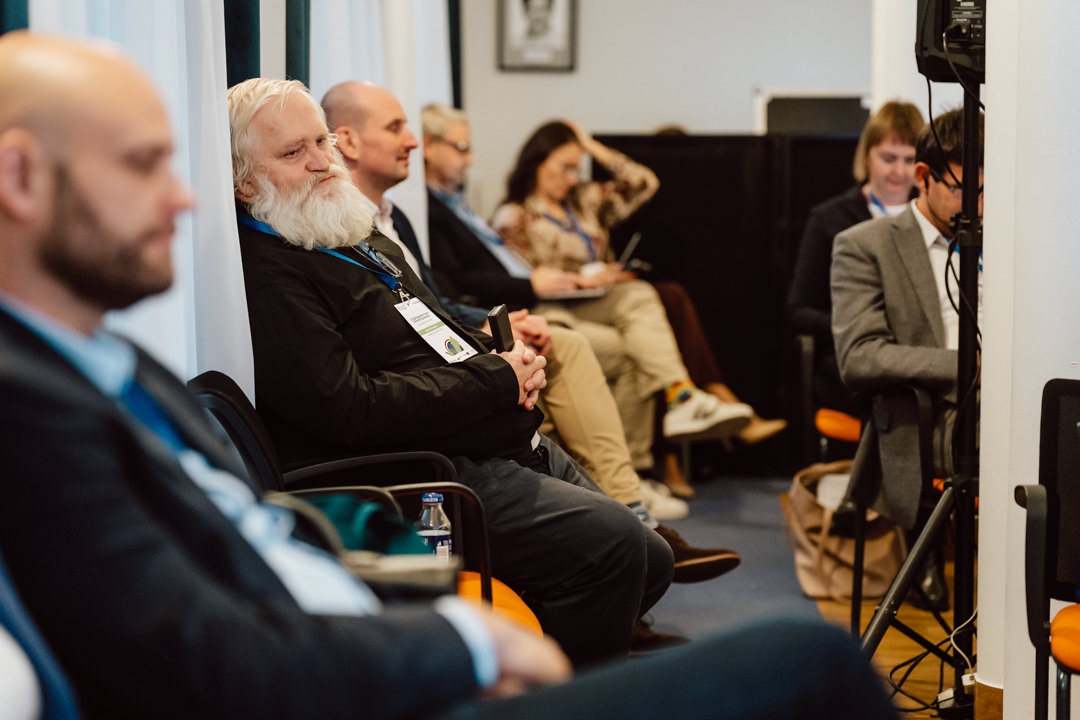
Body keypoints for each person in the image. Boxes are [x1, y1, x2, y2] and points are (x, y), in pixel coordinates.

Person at [0, 32, 903, 720]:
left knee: (745, 621)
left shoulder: (105, 363)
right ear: (20, 177)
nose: (180, 196)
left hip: (372, 598)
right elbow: (207, 659)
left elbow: (246, 550)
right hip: (386, 642)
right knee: (809, 659)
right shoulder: (32, 410)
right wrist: (458, 642)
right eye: (142, 164)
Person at [231, 76, 682, 665]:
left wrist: (504, 359)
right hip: (424, 472)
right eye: (294, 152)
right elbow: (351, 407)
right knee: (617, 548)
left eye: (322, 142)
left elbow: (433, 324)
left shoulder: (350, 231)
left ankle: (521, 658)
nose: (322, 163)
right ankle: (561, 695)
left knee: (653, 557)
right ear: (244, 182)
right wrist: (494, 379)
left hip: (485, 434)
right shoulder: (271, 272)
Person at [317, 81, 743, 591]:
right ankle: (637, 505)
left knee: (640, 304)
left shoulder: (397, 217)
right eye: (397, 128)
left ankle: (645, 480)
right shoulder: (352, 229)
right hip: (487, 333)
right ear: (348, 141)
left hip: (489, 324)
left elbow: (430, 301)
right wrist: (495, 317)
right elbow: (416, 317)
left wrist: (487, 319)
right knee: (586, 340)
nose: (411, 140)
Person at [490, 119, 784, 498]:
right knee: (640, 327)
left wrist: (588, 144)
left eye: (576, 168)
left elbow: (644, 182)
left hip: (598, 302)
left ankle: (655, 438)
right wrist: (579, 277)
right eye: (562, 167)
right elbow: (522, 281)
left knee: (641, 301)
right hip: (554, 305)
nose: (571, 177)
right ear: (536, 163)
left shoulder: (582, 202)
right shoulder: (515, 217)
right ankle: (672, 418)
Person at [831, 106, 984, 611]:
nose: (978, 206)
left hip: (1005, 402)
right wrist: (971, 365)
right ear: (924, 177)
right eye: (965, 190)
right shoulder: (865, 245)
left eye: (987, 191)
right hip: (929, 414)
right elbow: (860, 358)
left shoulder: (1008, 244)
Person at [787, 100, 925, 418]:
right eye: (888, 158)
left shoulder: (936, 218)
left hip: (920, 351)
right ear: (867, 156)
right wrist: (856, 327)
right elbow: (798, 311)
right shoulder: (828, 219)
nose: (899, 171)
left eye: (909, 160)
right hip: (855, 357)